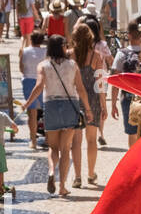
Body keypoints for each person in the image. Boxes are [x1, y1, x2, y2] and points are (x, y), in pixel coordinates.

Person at [23, 34, 91, 197]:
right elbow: (80, 89)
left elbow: (39, 86)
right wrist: (88, 109)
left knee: (53, 148)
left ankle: (52, 171)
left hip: (51, 106)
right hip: (70, 106)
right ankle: (62, 186)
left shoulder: (43, 65)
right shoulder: (72, 65)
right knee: (65, 149)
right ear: (62, 47)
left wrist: (28, 103)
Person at [71, 22, 106, 186]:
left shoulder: (69, 55)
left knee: (75, 141)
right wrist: (104, 105)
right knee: (91, 140)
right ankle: (91, 174)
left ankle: (77, 177)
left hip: (74, 100)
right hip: (92, 100)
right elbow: (100, 83)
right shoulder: (96, 56)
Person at [109, 21, 141, 147]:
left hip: (128, 98)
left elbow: (116, 80)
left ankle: (134, 162)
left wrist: (113, 104)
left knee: (132, 133)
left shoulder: (122, 53)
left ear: (128, 35)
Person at [80, 15, 112, 146]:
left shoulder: (81, 46)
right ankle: (100, 132)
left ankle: (85, 128)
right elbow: (110, 59)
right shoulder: (102, 45)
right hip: (102, 77)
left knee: (85, 103)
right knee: (100, 103)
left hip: (85, 77)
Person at [19, 30, 47, 150]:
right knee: (46, 111)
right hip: (43, 82)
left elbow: (21, 68)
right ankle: (49, 138)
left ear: (31, 39)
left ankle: (33, 140)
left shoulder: (24, 51)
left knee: (32, 112)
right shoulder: (45, 51)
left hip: (28, 80)